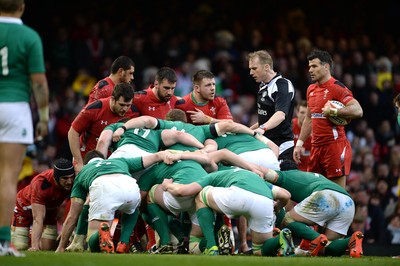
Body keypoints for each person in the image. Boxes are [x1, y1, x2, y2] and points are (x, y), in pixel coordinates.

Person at [55, 149, 182, 253]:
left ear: (87, 162)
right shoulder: (120, 161)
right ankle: (123, 242)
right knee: (132, 210)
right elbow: (152, 158)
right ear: (103, 159)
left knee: (93, 241)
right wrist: (166, 154)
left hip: (103, 187)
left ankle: (101, 234)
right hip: (130, 186)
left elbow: (73, 216)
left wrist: (61, 246)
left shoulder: (83, 172)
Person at [0, 0, 49, 257]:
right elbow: (39, 83)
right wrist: (42, 117)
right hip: (15, 108)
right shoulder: (29, 36)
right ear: (22, 6)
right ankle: (1, 243)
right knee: (7, 177)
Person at [160, 164, 294, 257]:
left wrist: (168, 185)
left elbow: (183, 191)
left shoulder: (213, 175)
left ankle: (211, 246)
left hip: (237, 195)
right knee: (260, 249)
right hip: (264, 201)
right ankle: (282, 238)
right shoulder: (253, 176)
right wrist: (277, 206)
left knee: (201, 195)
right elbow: (286, 195)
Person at [262, 160, 364, 258]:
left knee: (287, 220)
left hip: (326, 196)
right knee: (326, 247)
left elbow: (283, 214)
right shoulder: (310, 176)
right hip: (348, 201)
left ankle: (316, 238)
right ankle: (352, 240)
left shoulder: (285, 176)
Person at [293, 49, 363, 188]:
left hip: (334, 147)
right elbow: (308, 118)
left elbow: (358, 110)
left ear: (326, 67)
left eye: (314, 66)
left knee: (336, 195)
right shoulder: (310, 89)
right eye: (309, 67)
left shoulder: (337, 87)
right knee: (315, 192)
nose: (310, 70)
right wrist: (299, 144)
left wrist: (335, 111)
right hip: (316, 148)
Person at [68, 82, 137, 173]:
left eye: (128, 105)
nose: (125, 109)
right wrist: (78, 162)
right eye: (121, 105)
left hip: (113, 164)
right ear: (113, 99)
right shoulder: (94, 109)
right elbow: (73, 132)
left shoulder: (134, 112)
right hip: (87, 161)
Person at [11, 158, 75, 251]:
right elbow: (38, 218)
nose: (69, 181)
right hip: (24, 208)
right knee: (20, 246)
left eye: (71, 177)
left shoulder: (74, 181)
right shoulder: (41, 184)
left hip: (50, 210)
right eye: (65, 178)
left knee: (48, 248)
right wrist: (35, 247)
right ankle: (26, 236)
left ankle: (31, 236)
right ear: (56, 178)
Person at [248, 50, 296, 162]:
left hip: (282, 146)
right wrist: (247, 131)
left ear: (266, 67)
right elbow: (264, 119)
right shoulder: (262, 86)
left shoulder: (282, 84)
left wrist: (262, 128)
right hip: (266, 143)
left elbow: (280, 115)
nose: (251, 73)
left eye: (254, 68)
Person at [292, 100, 311, 171]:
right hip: (293, 168)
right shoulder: (290, 126)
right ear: (297, 113)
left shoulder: (315, 129)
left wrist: (306, 151)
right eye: (302, 112)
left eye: (307, 113)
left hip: (311, 169)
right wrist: (293, 150)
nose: (305, 116)